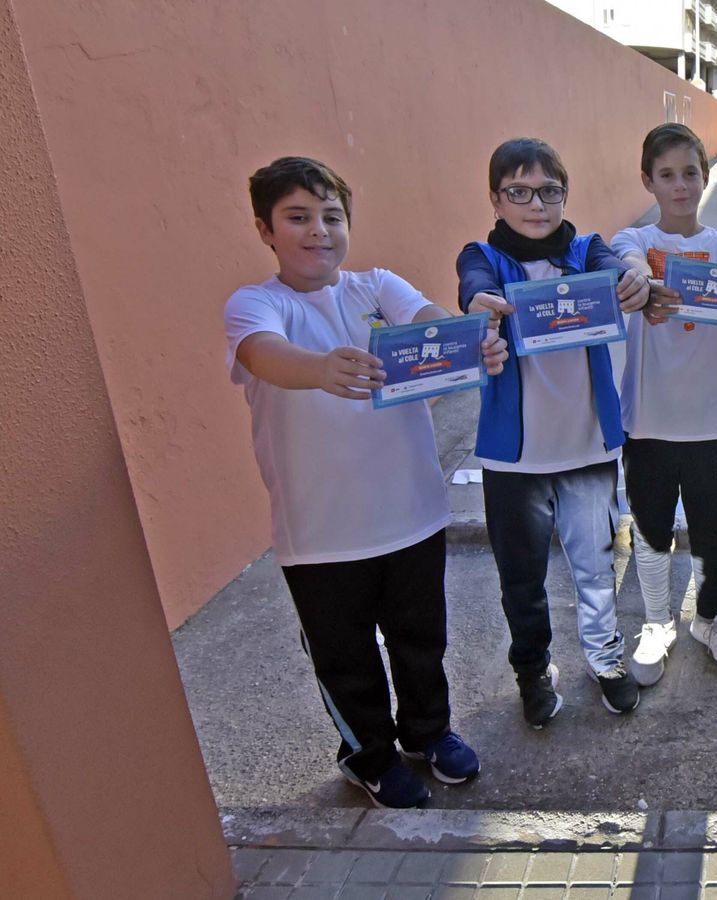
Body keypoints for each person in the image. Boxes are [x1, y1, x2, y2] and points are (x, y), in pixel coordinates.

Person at [225, 156, 507, 807]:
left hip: (413, 513)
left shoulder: (376, 287)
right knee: (345, 660)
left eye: (332, 216)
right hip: (321, 534)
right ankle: (369, 757)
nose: (319, 231)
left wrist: (472, 343)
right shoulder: (256, 305)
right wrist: (320, 368)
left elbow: (430, 319)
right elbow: (261, 353)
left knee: (421, 640)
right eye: (298, 217)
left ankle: (428, 734)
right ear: (266, 229)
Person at [457, 138, 652, 721]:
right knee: (522, 579)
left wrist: (632, 278)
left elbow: (615, 267)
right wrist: (475, 306)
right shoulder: (483, 259)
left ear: (565, 195)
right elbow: (470, 284)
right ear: (496, 198)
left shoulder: (587, 250)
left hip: (587, 447)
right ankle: (533, 672)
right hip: (515, 461)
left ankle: (605, 656)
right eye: (519, 191)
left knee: (595, 566)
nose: (536, 204)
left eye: (549, 191)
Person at [610, 123, 717, 679]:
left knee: (710, 530)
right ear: (647, 182)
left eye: (690, 173)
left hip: (710, 425)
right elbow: (625, 265)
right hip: (648, 423)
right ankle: (658, 620)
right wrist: (641, 283)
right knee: (652, 529)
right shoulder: (633, 244)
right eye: (667, 175)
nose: (680, 186)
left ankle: (707, 618)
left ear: (705, 177)